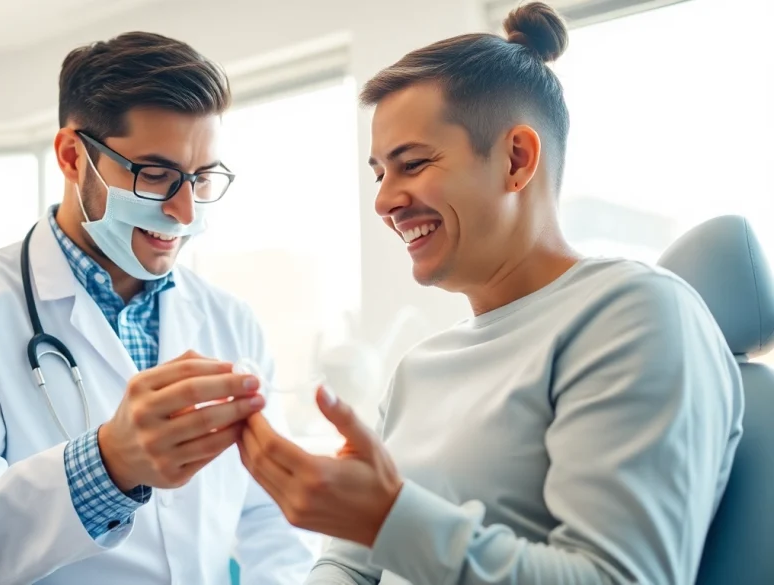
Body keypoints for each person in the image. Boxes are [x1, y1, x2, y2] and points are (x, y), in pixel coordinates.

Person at [237, 3, 744, 584]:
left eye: (413, 164)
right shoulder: (419, 369)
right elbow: (347, 565)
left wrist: (387, 520)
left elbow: (616, 578)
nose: (383, 201)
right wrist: (362, 522)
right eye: (380, 173)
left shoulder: (634, 315)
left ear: (516, 159)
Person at [0, 32, 316, 585]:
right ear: (73, 157)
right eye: (155, 175)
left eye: (202, 178)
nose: (185, 211)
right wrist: (110, 463)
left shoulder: (231, 320)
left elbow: (272, 517)